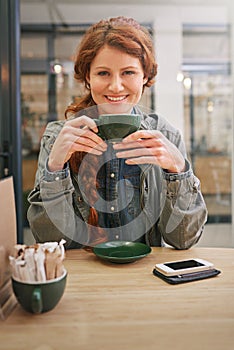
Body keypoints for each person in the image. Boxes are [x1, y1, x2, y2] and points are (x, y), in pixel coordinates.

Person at [27, 16, 207, 250]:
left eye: (128, 72)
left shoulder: (166, 136)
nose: (115, 86)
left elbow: (184, 240)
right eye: (103, 73)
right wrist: (55, 169)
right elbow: (50, 242)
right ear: (88, 79)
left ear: (145, 77)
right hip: (82, 279)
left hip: (146, 279)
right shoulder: (57, 137)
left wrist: (178, 172)